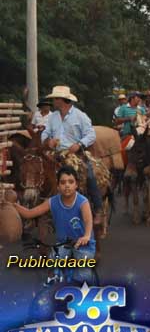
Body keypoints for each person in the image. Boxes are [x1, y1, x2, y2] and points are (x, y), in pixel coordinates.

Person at [14, 166, 96, 283]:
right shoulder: (52, 202)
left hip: (83, 243)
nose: (67, 185)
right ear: (58, 186)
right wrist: (13, 205)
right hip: (63, 243)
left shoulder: (82, 202)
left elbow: (88, 221)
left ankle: (86, 289)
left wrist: (87, 236)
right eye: (63, 182)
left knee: (83, 276)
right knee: (53, 265)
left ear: (76, 185)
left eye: (71, 182)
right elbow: (29, 213)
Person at [40, 86, 104, 227]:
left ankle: (98, 209)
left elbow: (91, 134)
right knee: (40, 172)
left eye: (55, 99)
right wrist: (48, 141)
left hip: (75, 154)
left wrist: (79, 144)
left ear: (63, 100)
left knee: (89, 175)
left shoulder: (80, 116)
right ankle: (40, 208)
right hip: (56, 154)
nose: (53, 101)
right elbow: (45, 133)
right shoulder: (52, 117)